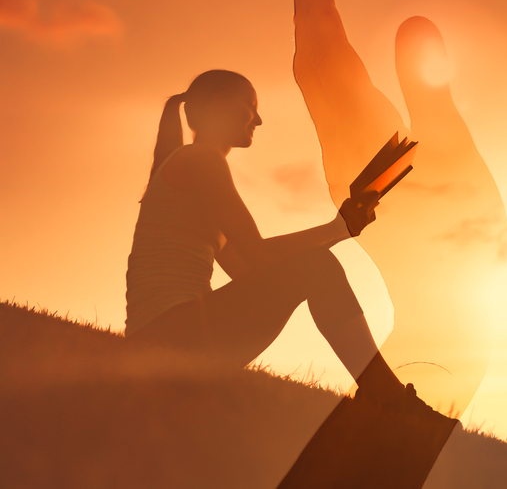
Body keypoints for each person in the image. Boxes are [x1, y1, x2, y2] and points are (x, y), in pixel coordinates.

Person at [124, 69, 409, 406]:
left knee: (316, 267)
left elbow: (249, 270)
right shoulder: (202, 160)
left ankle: (383, 393)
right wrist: (337, 229)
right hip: (169, 337)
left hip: (172, 338)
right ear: (217, 105)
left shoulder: (196, 164)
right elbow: (259, 255)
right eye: (249, 105)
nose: (258, 119)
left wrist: (339, 229)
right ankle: (386, 396)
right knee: (318, 267)